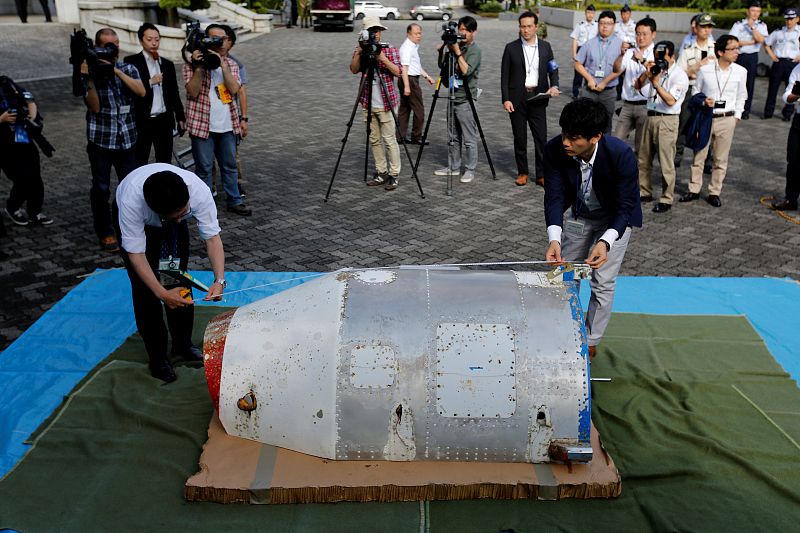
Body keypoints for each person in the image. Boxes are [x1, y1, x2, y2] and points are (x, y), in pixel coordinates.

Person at [543, 98, 642, 360]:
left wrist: (605, 242)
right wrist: (554, 238)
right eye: (564, 133)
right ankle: (563, 327)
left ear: (596, 137)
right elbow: (553, 197)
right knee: (564, 273)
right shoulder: (554, 150)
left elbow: (625, 208)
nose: (566, 141)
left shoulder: (621, 155)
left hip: (614, 221)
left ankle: (591, 338)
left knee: (602, 281)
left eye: (574, 138)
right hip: (579, 216)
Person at [114, 163, 226, 383]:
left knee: (178, 279)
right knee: (145, 289)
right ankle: (157, 357)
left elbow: (213, 239)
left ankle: (183, 344)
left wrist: (219, 280)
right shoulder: (131, 202)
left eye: (183, 213)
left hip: (170, 211)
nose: (178, 220)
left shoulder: (197, 191)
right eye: (172, 216)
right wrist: (161, 293)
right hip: (142, 226)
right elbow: (136, 255)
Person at [82, 28, 146, 253]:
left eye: (115, 44)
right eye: (107, 45)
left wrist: (116, 72)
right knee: (101, 188)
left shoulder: (128, 67)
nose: (112, 49)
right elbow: (95, 107)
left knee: (129, 187)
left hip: (127, 138)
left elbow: (141, 92)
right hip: (101, 139)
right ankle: (105, 231)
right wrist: (90, 77)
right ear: (96, 47)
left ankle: (128, 227)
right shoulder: (90, 71)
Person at [184, 24, 251, 215]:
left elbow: (234, 89)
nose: (220, 42)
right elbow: (192, 92)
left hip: (227, 124)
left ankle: (234, 200)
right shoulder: (192, 62)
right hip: (202, 125)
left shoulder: (231, 64)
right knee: (204, 168)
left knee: (229, 166)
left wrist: (222, 65)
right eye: (215, 38)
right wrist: (198, 68)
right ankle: (205, 206)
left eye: (223, 38)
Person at [680, 35, 747, 208]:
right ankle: (694, 189)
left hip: (727, 118)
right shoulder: (705, 70)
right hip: (706, 116)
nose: (736, 52)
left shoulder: (741, 72)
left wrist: (736, 116)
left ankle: (714, 191)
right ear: (720, 52)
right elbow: (695, 91)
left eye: (737, 48)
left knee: (720, 159)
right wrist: (704, 102)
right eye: (732, 49)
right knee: (699, 154)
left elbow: (742, 96)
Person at [501, 10, 559, 187]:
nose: (525, 30)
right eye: (522, 27)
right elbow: (504, 76)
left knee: (541, 138)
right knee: (520, 138)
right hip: (517, 99)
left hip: (538, 97)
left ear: (536, 27)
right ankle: (522, 172)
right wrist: (506, 99)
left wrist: (554, 85)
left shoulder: (545, 47)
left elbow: (553, 68)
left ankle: (541, 174)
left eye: (528, 26)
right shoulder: (511, 48)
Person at [635, 40, 689, 213]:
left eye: (662, 56)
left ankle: (667, 198)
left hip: (667, 120)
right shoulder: (655, 70)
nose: (659, 60)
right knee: (643, 158)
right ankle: (645, 191)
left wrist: (656, 83)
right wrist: (647, 73)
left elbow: (671, 100)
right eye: (657, 56)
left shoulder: (679, 75)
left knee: (666, 162)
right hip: (650, 116)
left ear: (672, 56)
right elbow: (637, 87)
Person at [350, 16, 402, 191]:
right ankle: (381, 172)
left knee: (389, 140)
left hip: (386, 103)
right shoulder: (362, 50)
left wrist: (382, 58)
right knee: (374, 140)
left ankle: (394, 174)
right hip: (368, 102)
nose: (375, 35)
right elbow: (354, 69)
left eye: (377, 31)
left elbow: (398, 72)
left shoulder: (389, 49)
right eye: (372, 31)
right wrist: (358, 52)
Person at [124, 23, 186, 167]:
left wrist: (180, 116)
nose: (153, 43)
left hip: (164, 119)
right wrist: (150, 82)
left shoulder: (167, 64)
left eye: (157, 39)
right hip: (142, 120)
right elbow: (129, 90)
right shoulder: (131, 62)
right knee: (140, 160)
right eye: (149, 39)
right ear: (141, 40)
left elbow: (174, 93)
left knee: (164, 161)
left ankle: (163, 188)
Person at [433, 15, 482, 184]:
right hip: (452, 97)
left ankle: (470, 169)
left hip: (466, 100)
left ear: (473, 32)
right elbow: (443, 68)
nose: (463, 33)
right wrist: (442, 51)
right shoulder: (455, 47)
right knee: (453, 137)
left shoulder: (475, 50)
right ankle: (453, 167)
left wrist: (456, 51)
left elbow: (466, 71)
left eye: (467, 30)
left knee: (469, 139)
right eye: (461, 29)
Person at [0, 75, 54, 227]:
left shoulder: (5, 83)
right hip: (3, 144)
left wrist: (31, 119)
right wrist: (2, 119)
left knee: (35, 176)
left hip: (23, 138)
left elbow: (29, 99)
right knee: (21, 177)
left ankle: (35, 212)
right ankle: (13, 206)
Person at [675, 13, 716, 168]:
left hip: (709, 91)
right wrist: (698, 65)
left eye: (709, 27)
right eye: (704, 27)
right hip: (691, 89)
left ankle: (707, 160)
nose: (707, 30)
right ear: (696, 28)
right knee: (683, 123)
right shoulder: (687, 49)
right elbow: (680, 72)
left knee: (708, 125)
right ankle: (677, 156)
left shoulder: (716, 48)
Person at [612, 17, 656, 156]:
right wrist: (621, 55)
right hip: (627, 104)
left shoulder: (657, 53)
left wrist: (642, 60)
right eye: (638, 33)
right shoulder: (630, 52)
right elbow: (616, 70)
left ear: (653, 34)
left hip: (645, 106)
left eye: (644, 34)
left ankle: (637, 175)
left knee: (641, 147)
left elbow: (653, 74)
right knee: (616, 142)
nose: (640, 37)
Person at [574, 10, 622, 135]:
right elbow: (578, 64)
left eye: (609, 23)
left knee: (606, 123)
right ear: (598, 24)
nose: (605, 26)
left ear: (614, 25)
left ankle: (604, 150)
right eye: (602, 23)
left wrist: (605, 82)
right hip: (589, 90)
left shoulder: (619, 44)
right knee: (584, 121)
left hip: (608, 92)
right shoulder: (589, 43)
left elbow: (621, 68)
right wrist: (589, 79)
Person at [730, 0, 768, 120]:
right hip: (738, 56)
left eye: (758, 11)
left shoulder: (762, 25)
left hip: (752, 57)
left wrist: (752, 28)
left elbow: (762, 40)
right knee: (734, 82)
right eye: (753, 10)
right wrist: (751, 41)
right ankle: (733, 107)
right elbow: (734, 41)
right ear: (748, 11)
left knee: (749, 84)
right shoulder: (739, 25)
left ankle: (745, 110)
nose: (755, 14)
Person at [398, 23, 435, 145]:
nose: (419, 36)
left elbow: (416, 66)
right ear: (409, 34)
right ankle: (416, 137)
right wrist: (407, 86)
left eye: (420, 33)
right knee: (419, 110)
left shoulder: (413, 46)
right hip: (409, 80)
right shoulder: (407, 48)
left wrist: (426, 76)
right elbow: (404, 67)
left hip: (410, 79)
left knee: (405, 109)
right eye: (416, 33)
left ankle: (400, 136)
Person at [770, 59, 800, 211]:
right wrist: (795, 96)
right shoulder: (798, 69)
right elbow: (787, 96)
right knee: (793, 160)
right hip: (799, 120)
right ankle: (791, 199)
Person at [762, 9, 800, 121]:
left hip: (792, 63)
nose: (789, 21)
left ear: (797, 18)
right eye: (787, 19)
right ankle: (768, 112)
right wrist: (772, 55)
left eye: (791, 19)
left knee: (793, 89)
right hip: (779, 62)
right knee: (773, 88)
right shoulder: (778, 32)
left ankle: (788, 114)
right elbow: (766, 43)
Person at [570, 4, 598, 99]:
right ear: (585, 13)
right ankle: (576, 92)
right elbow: (575, 40)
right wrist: (574, 54)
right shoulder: (580, 25)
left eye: (592, 13)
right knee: (578, 73)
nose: (590, 15)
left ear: (594, 14)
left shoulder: (597, 26)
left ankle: (588, 92)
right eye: (588, 13)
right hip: (581, 49)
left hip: (592, 51)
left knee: (590, 72)